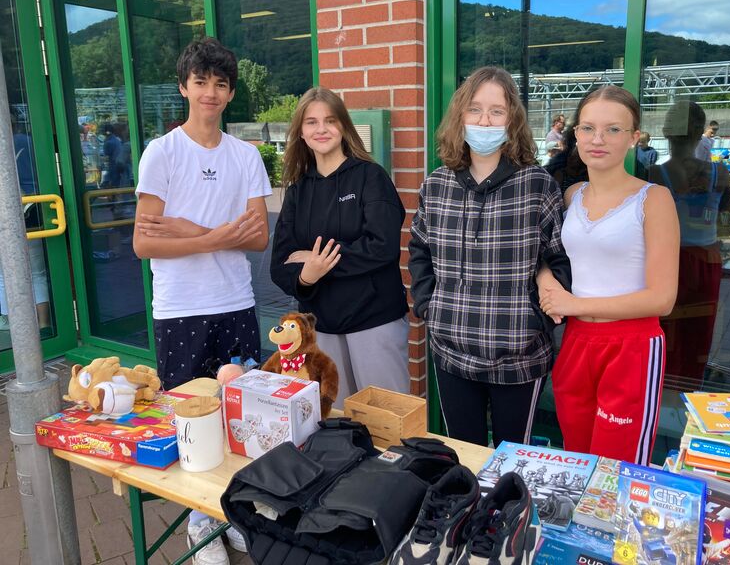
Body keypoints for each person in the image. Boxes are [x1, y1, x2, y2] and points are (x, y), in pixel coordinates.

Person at [134, 37, 271, 565]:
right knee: (190, 417)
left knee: (239, 414)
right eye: (200, 82)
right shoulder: (162, 152)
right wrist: (216, 236)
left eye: (220, 84)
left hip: (234, 300)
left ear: (230, 92)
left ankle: (233, 511)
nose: (210, 93)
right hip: (180, 306)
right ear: (183, 87)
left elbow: (258, 238)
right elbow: (144, 243)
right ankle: (199, 523)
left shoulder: (245, 155)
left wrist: (192, 230)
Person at [408, 66, 571, 447]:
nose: (484, 120)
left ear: (512, 119)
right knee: (465, 457)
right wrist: (430, 305)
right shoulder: (436, 184)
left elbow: (558, 257)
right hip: (452, 351)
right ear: (460, 116)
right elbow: (420, 249)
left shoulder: (537, 184)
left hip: (519, 355)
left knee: (515, 461)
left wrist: (536, 318)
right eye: (475, 109)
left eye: (497, 111)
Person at [538, 85, 679, 465]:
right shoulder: (572, 196)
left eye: (613, 129)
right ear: (576, 135)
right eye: (587, 128)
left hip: (630, 346)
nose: (597, 139)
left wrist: (574, 302)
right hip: (577, 340)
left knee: (618, 470)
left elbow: (663, 298)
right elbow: (549, 257)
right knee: (578, 460)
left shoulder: (654, 199)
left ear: (634, 138)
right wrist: (544, 280)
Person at [270, 87, 409, 408]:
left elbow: (382, 246)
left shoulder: (370, 177)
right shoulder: (298, 190)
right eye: (311, 122)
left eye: (330, 120)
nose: (321, 129)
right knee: (338, 420)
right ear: (301, 133)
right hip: (322, 326)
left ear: (344, 127)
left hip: (375, 321)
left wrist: (316, 263)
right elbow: (281, 264)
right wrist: (306, 277)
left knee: (387, 420)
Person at [649, 101, 730, 391]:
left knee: (662, 327)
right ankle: (690, 385)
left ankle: (660, 384)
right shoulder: (719, 173)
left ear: (666, 132)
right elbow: (726, 225)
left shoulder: (654, 175)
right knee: (699, 330)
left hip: (666, 260)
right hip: (707, 260)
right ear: (701, 132)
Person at [0, 119, 51, 333]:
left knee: (4, 273)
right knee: (37, 273)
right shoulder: (32, 142)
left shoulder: (5, 146)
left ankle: (11, 324)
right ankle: (44, 323)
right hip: (37, 208)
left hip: (9, 210)